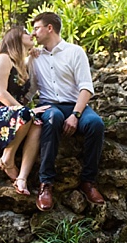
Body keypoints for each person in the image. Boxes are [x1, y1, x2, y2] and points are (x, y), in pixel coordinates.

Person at [29, 11, 105, 211]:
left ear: (49, 28)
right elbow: (29, 90)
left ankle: (88, 181)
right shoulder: (34, 57)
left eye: (37, 28)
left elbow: (86, 87)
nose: (34, 33)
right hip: (49, 106)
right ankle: (46, 184)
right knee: (52, 118)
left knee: (96, 124)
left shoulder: (74, 51)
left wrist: (76, 115)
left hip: (75, 105)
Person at [0, 25, 43, 196]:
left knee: (38, 125)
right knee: (27, 114)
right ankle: (7, 159)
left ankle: (22, 178)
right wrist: (24, 111)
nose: (31, 35)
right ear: (16, 37)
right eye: (27, 33)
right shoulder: (3, 58)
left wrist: (33, 56)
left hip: (13, 112)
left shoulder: (20, 64)